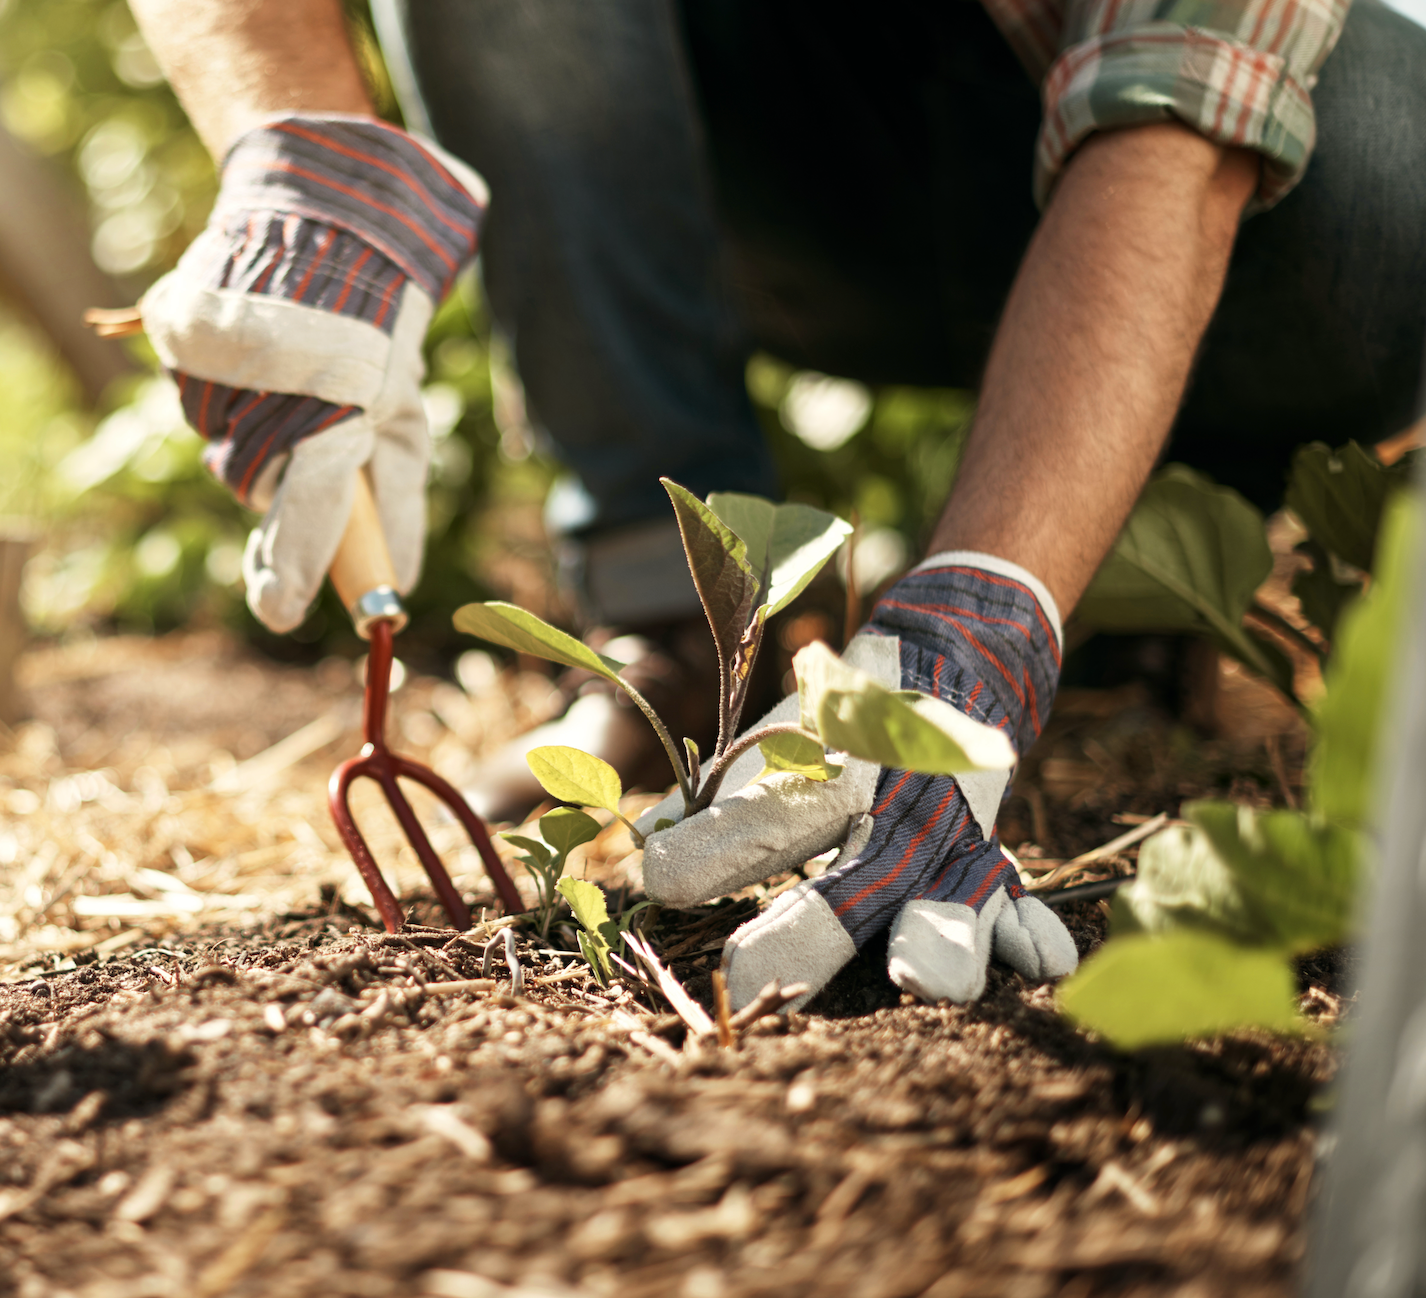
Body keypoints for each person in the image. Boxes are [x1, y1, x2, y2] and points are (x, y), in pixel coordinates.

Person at [123, 0, 1426, 1005]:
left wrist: (983, 617)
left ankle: (1160, 541)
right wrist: (294, 152)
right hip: (776, 166)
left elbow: (1182, 124)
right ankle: (690, 627)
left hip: (1233, 174)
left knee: (1376, 174)